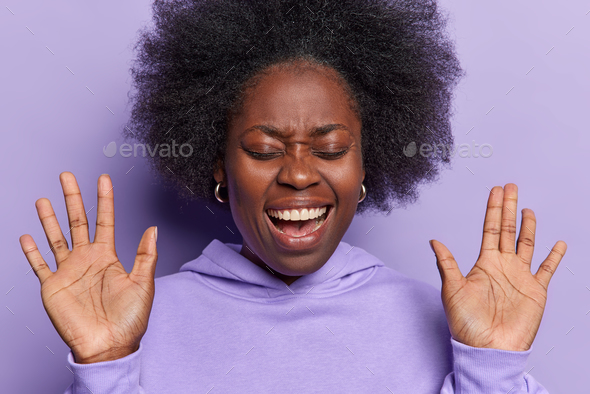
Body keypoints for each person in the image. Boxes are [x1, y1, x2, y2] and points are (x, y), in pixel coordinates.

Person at [19, 0, 567, 392]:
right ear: (219, 163)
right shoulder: (136, 321)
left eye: (329, 149)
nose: (299, 175)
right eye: (262, 149)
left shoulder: (448, 321)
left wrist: (493, 364)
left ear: (365, 164)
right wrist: (107, 363)